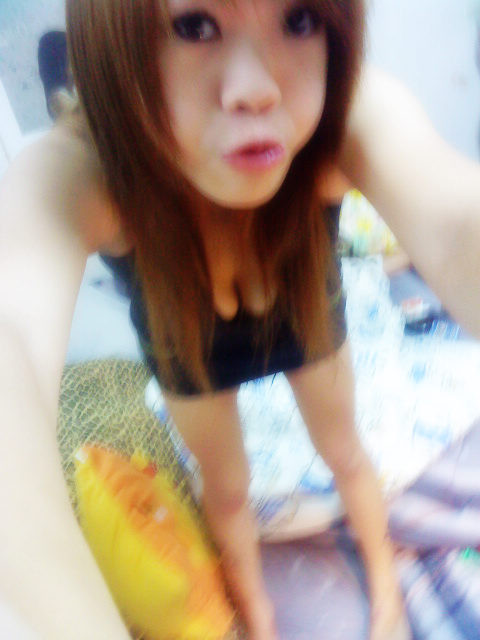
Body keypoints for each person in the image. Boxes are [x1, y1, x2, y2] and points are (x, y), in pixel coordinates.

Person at [1, 1, 480, 638]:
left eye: (299, 19)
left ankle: (384, 582)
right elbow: (12, 335)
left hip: (302, 308)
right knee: (226, 491)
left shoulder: (345, 113)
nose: (257, 88)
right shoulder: (88, 164)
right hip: (187, 339)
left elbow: (454, 218)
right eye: (194, 26)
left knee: (346, 455)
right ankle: (255, 612)